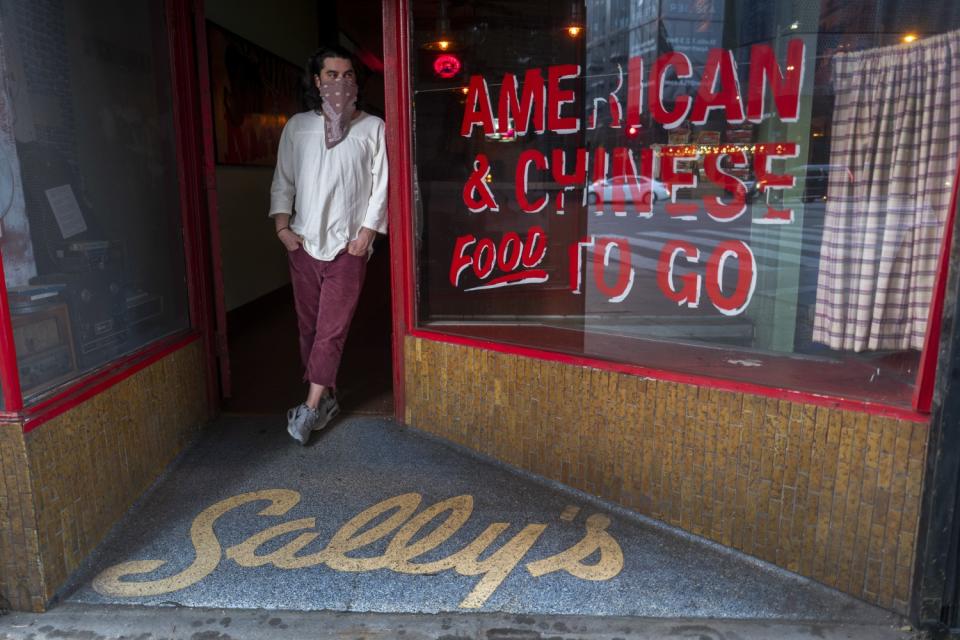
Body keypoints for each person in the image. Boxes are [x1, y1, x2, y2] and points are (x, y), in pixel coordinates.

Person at [268, 45, 387, 445]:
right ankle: (329, 396)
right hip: (303, 244)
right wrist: (284, 229)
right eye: (331, 75)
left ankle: (311, 407)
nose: (340, 82)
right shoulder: (297, 127)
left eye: (348, 75)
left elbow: (382, 184)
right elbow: (283, 179)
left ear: (357, 82)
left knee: (331, 330)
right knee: (309, 328)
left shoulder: (372, 128)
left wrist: (369, 231)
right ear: (317, 81)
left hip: (348, 248)